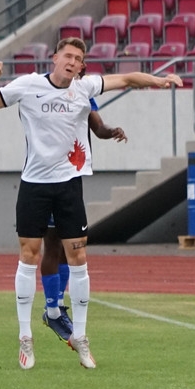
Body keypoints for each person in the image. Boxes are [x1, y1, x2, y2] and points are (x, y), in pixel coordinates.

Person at [0, 36, 181, 370]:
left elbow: (127, 79)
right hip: (34, 185)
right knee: (29, 255)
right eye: (67, 56)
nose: (72, 62)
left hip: (69, 185)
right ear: (55, 58)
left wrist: (159, 80)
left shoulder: (85, 88)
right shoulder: (28, 85)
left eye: (78, 59)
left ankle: (80, 337)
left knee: (79, 256)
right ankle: (25, 336)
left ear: (82, 66)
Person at [40, 97, 127, 343]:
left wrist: (112, 131)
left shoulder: (84, 94)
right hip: (45, 179)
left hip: (72, 179)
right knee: (52, 244)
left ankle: (57, 307)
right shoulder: (45, 92)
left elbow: (98, 127)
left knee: (71, 246)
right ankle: (52, 309)